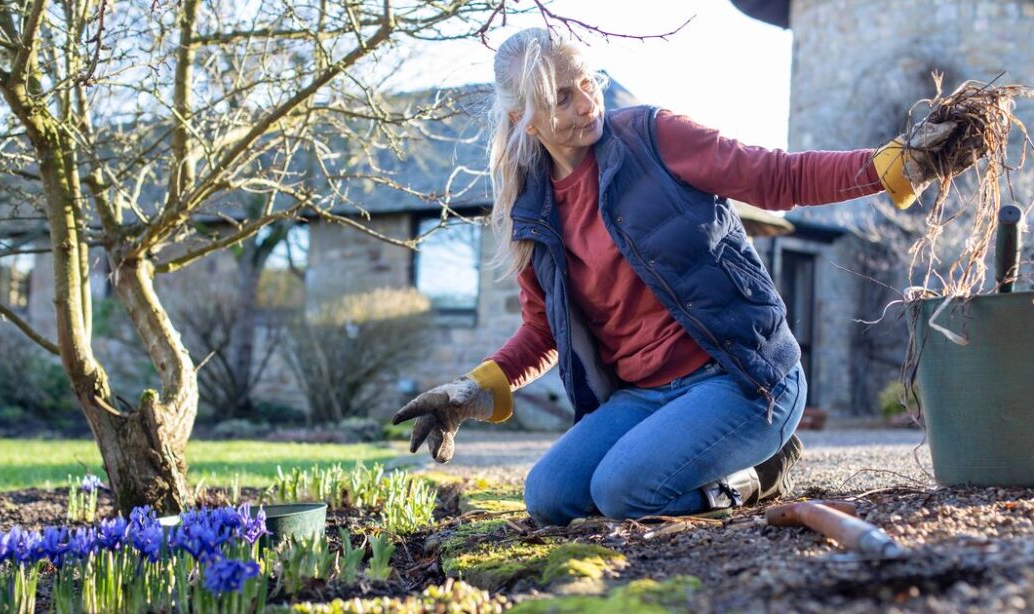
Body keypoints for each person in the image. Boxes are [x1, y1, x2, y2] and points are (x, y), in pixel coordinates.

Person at [393, 28, 967, 527]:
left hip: (741, 377)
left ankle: (755, 476)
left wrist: (891, 166)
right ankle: (709, 467)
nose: (587, 104)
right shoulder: (533, 209)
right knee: (549, 496)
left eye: (588, 82)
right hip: (643, 397)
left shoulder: (652, 137)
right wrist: (471, 392)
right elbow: (544, 329)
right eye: (562, 97)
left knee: (620, 493)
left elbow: (775, 177)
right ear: (523, 118)